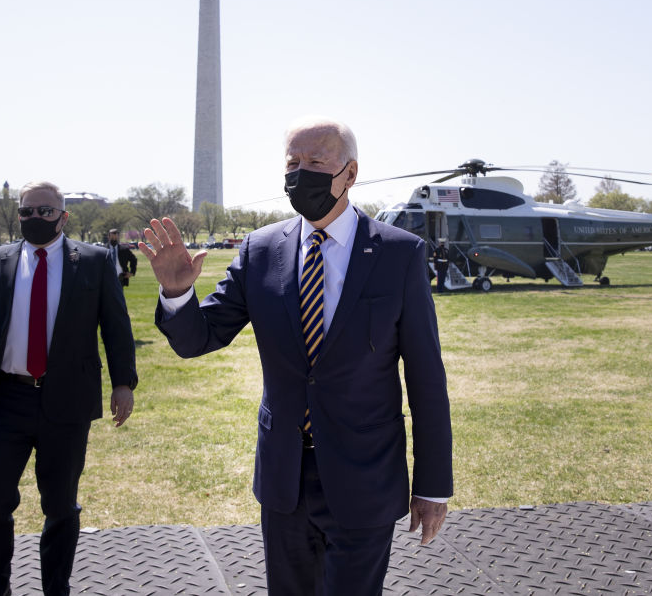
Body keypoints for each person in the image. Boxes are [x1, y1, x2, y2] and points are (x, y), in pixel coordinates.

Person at [139, 117, 452, 595]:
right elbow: (198, 339)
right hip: (285, 479)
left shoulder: (398, 254)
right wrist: (178, 293)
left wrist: (431, 486)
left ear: (349, 173)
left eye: (315, 162)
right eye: (292, 163)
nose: (300, 173)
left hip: (365, 476)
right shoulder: (260, 250)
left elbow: (426, 379)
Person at [0, 181, 137, 596]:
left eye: (45, 212)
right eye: (27, 211)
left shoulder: (96, 262)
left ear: (64, 216)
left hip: (66, 400)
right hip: (3, 400)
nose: (35, 219)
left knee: (61, 506)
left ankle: (56, 589)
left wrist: (123, 384)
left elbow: (117, 328)